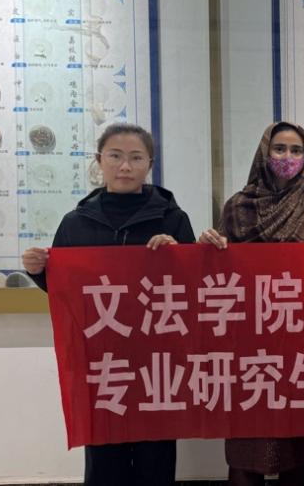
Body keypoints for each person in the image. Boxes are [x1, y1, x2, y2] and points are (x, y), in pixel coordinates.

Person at [21, 122, 195, 486]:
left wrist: (178, 256)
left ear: (150, 164)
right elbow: (66, 292)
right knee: (103, 460)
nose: (125, 166)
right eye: (115, 156)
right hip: (101, 359)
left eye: (136, 158)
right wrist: (38, 271)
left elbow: (194, 290)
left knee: (155, 458)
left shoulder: (173, 219)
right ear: (99, 161)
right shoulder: (76, 223)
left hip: (156, 360)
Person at [199, 121, 304, 486]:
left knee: (299, 447)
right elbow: (220, 278)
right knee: (247, 448)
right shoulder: (237, 207)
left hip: (301, 343)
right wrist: (207, 248)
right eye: (279, 149)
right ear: (264, 153)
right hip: (249, 346)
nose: (287, 157)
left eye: (296, 150)